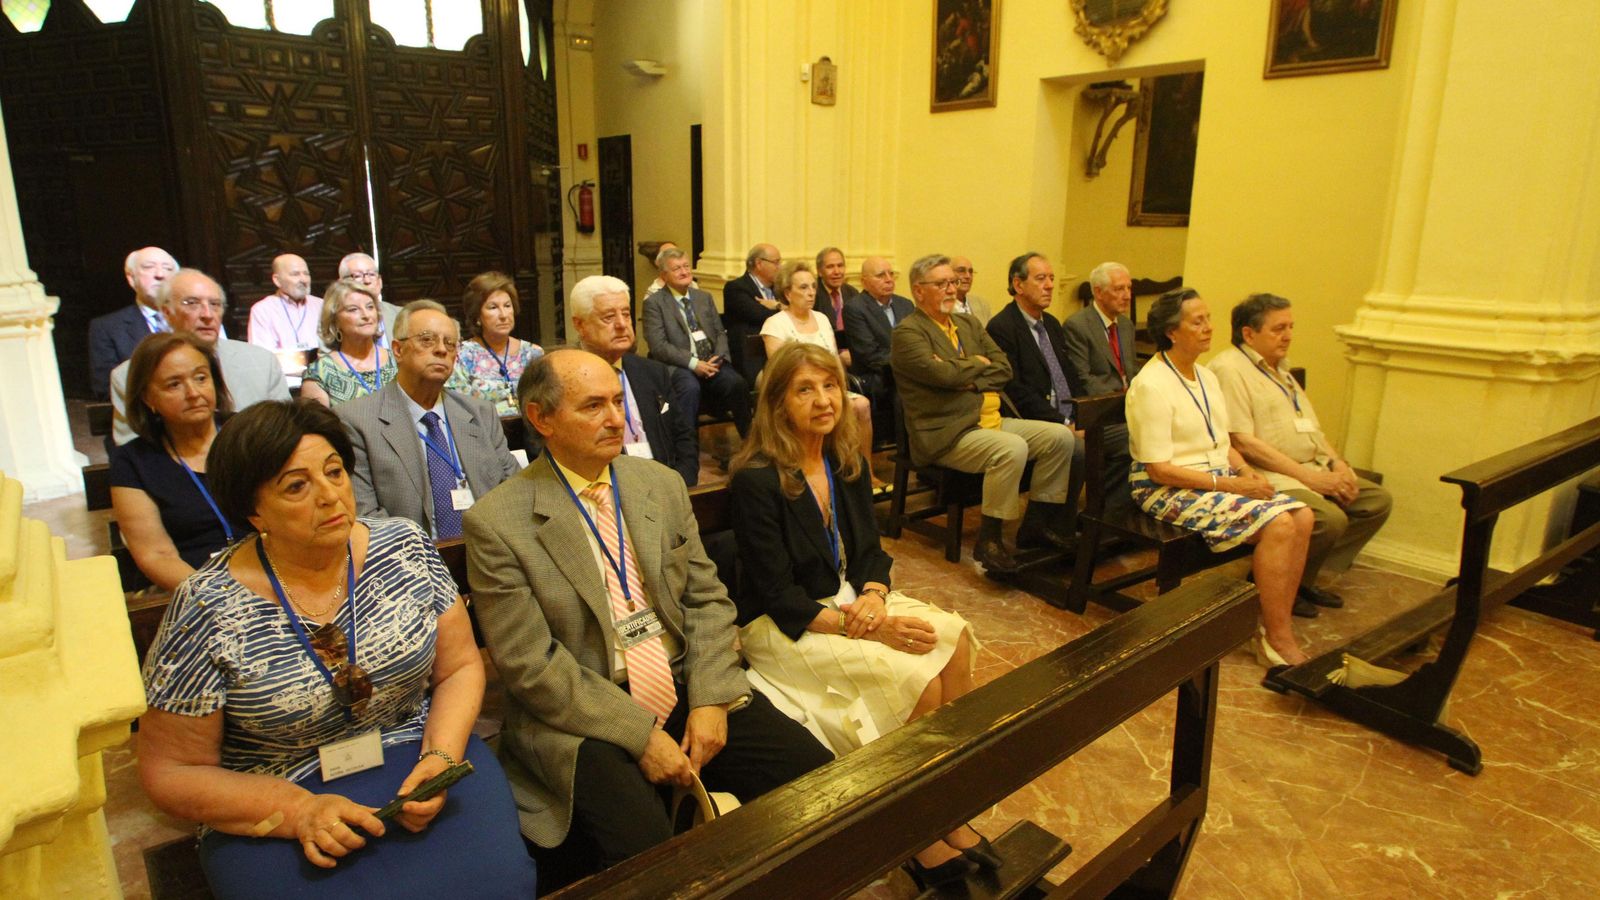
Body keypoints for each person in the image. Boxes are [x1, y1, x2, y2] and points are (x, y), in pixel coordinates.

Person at [136, 401, 537, 899]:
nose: (331, 496)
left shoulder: (404, 547)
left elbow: (458, 668)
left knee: (499, 885)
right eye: (297, 486)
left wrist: (439, 756)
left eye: (334, 472)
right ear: (252, 509)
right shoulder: (208, 607)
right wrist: (302, 811)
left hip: (418, 751)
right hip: (277, 793)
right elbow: (169, 771)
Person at [462, 349, 831, 872]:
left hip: (682, 680)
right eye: (593, 406)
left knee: (819, 779)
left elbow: (706, 599)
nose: (615, 418)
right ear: (542, 418)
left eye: (617, 400)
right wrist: (640, 735)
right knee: (656, 861)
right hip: (584, 713)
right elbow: (531, 665)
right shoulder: (498, 522)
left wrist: (710, 698)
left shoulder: (658, 483)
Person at [728, 342, 994, 889]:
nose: (824, 400)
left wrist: (874, 595)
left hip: (853, 599)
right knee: (916, 679)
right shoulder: (757, 480)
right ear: (778, 403)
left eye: (830, 386)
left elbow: (872, 550)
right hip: (788, 623)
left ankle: (943, 804)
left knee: (956, 640)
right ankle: (915, 836)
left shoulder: (843, 461)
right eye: (806, 389)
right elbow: (777, 596)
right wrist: (863, 622)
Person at [1124, 288, 1314, 667]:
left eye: (1208, 318)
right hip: (1164, 487)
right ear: (1172, 332)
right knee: (1278, 524)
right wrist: (1234, 485)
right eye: (1198, 321)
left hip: (1217, 476)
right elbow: (1158, 468)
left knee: (1304, 516)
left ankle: (1271, 620)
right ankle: (1277, 638)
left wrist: (1245, 471)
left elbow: (1221, 440)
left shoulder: (1207, 377)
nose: (1209, 328)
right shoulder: (1151, 384)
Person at [891, 254, 1077, 573]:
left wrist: (966, 376)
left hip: (988, 420)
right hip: (947, 432)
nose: (952, 289)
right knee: (1011, 448)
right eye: (941, 284)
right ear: (918, 291)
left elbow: (1004, 369)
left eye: (953, 282)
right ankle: (989, 540)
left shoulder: (968, 323)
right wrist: (977, 365)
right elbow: (944, 378)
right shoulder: (908, 333)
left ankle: (1038, 523)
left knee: (1060, 437)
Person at [1210, 293, 1393, 613]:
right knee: (1328, 518)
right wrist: (1310, 479)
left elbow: (1312, 429)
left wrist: (1338, 464)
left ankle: (1300, 577)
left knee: (1376, 501)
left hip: (1312, 465)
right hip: (1270, 475)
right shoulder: (1230, 369)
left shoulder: (1282, 370)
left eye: (1291, 327)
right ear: (1248, 334)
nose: (1289, 335)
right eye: (1279, 328)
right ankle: (1275, 582)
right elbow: (1241, 441)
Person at [336, 300, 520, 539]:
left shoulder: (480, 414)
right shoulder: (356, 421)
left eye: (450, 343)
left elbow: (514, 492)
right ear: (398, 350)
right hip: (408, 564)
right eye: (427, 340)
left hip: (490, 555)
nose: (441, 350)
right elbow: (367, 518)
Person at [110, 333, 248, 591]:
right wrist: (215, 597)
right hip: (195, 590)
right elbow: (156, 555)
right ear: (148, 398)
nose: (193, 393)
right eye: (174, 384)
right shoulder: (133, 461)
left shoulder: (248, 433)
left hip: (275, 573)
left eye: (201, 378)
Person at [111, 269, 290, 446]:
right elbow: (133, 449)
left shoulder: (262, 362)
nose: (207, 314)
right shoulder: (129, 375)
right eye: (192, 303)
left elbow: (286, 429)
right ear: (166, 312)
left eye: (215, 304)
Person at [760, 260, 887, 492]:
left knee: (862, 404)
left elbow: (834, 361)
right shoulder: (775, 324)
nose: (810, 293)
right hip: (795, 391)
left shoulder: (821, 318)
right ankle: (814, 471)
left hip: (827, 386)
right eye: (803, 288)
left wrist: (835, 386)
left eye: (812, 287)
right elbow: (780, 371)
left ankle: (865, 471)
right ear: (787, 293)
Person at [986, 252, 1098, 514]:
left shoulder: (1052, 324)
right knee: (1079, 449)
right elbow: (1016, 391)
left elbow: (1069, 377)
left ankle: (1097, 516)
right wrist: (1063, 423)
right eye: (1040, 279)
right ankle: (1052, 522)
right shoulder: (1002, 327)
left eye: (1051, 278)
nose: (1049, 285)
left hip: (1067, 415)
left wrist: (1084, 416)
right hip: (1033, 418)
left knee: (1115, 438)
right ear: (1018, 284)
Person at [570, 274, 699, 485]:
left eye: (626, 314)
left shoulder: (652, 371)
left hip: (664, 483)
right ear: (580, 325)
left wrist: (679, 484)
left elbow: (683, 436)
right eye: (608, 317)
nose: (622, 324)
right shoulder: (568, 380)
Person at [640, 246, 752, 437]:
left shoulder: (704, 298)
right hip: (680, 365)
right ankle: (686, 447)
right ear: (664, 276)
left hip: (712, 361)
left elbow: (719, 333)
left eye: (686, 266)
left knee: (737, 383)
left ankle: (751, 443)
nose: (684, 272)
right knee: (689, 387)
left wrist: (719, 356)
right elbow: (659, 346)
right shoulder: (654, 303)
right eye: (677, 269)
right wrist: (694, 364)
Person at [89, 246, 179, 400]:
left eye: (168, 268)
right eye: (149, 267)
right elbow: (106, 389)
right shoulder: (107, 327)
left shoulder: (197, 317)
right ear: (131, 278)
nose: (160, 274)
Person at [843, 256, 914, 443]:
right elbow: (869, 354)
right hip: (877, 375)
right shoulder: (855, 308)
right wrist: (909, 364)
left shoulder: (905, 304)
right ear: (863, 281)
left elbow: (916, 342)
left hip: (907, 371)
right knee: (909, 391)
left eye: (891, 274)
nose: (889, 279)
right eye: (881, 275)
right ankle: (908, 449)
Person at [455, 271, 544, 415]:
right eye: (493, 307)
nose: (503, 315)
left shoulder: (533, 353)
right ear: (477, 315)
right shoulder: (462, 356)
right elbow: (458, 409)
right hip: (482, 433)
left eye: (507, 306)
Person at [300, 281, 396, 407]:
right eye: (353, 310)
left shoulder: (400, 360)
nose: (366, 315)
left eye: (370, 307)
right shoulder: (320, 373)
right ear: (334, 320)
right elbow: (316, 425)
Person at [1064, 261, 1141, 396]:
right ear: (1099, 292)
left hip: (1131, 399)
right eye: (1119, 289)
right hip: (1102, 402)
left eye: (1129, 288)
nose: (1127, 296)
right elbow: (1083, 378)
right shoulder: (1077, 326)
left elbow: (1133, 370)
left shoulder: (1126, 325)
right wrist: (1119, 399)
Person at [247, 253, 324, 387]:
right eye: (295, 274)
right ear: (277, 280)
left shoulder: (322, 305)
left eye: (306, 274)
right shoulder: (263, 310)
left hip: (322, 383)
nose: (303, 279)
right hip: (283, 386)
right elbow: (262, 359)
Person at [721, 242, 783, 379]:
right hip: (752, 358)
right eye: (776, 262)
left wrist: (777, 305)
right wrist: (782, 309)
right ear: (759, 263)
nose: (780, 267)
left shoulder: (779, 289)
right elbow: (759, 315)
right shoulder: (736, 288)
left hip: (779, 351)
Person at [338, 252, 401, 341]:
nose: (367, 281)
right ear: (342, 284)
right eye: (358, 276)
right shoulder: (334, 320)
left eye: (371, 274)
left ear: (380, 282)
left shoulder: (401, 315)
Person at [813, 246, 857, 346]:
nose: (837, 272)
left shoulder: (852, 293)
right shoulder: (813, 294)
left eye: (840, 266)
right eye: (830, 267)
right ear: (819, 271)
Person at [950, 255, 992, 324]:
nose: (968, 276)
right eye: (961, 271)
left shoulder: (981, 304)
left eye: (970, 271)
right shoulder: (942, 307)